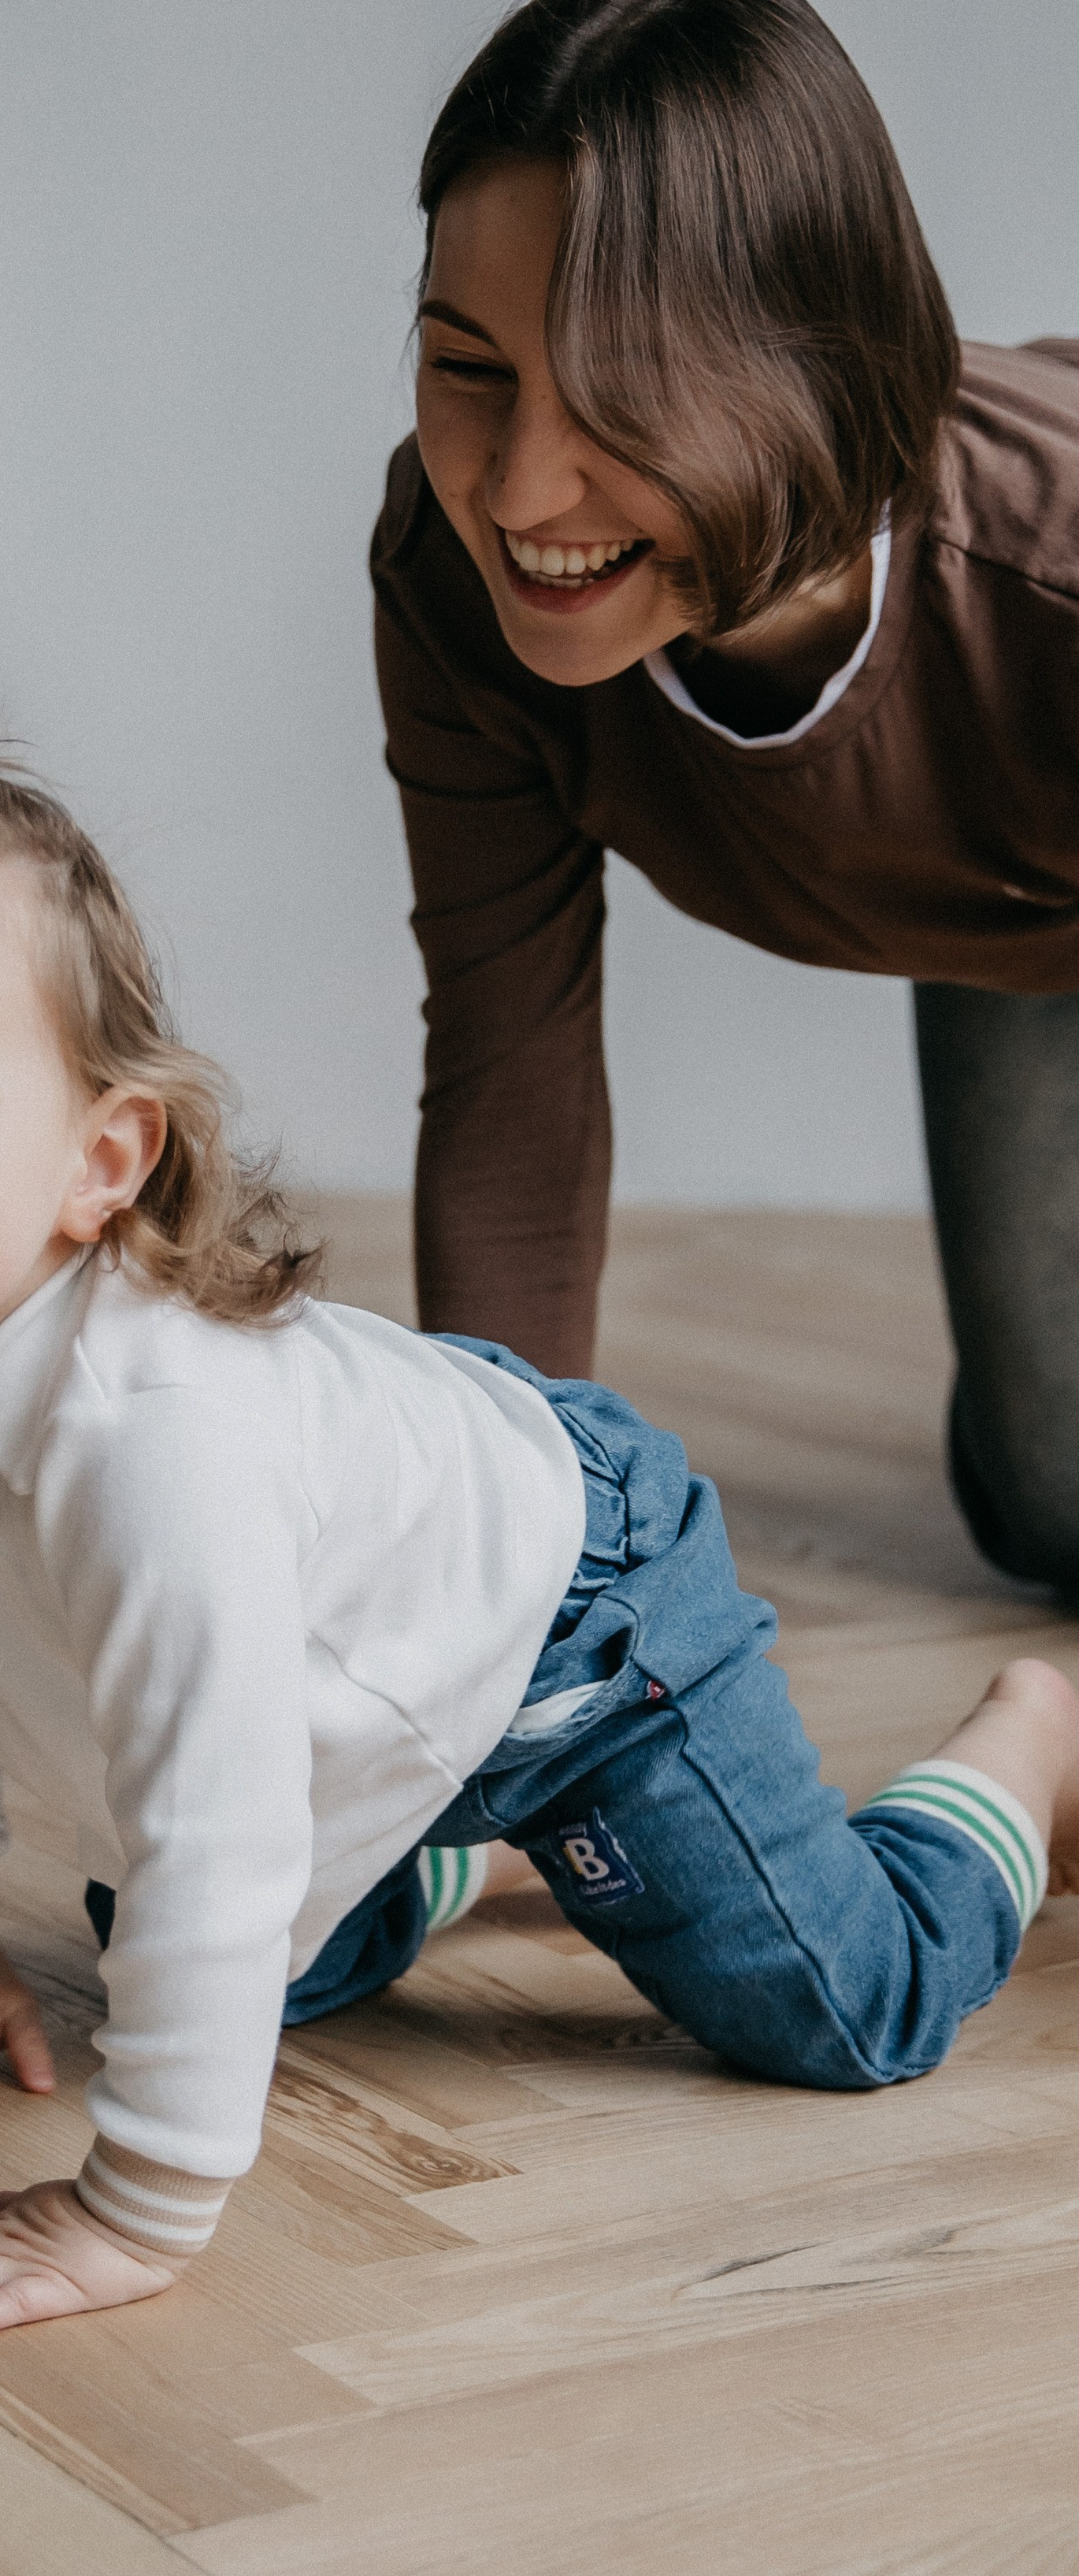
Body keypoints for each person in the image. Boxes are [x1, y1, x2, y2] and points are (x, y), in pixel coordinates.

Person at [0, 657, 1077, 2339]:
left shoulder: (151, 1437)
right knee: (242, 1973)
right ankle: (427, 1850)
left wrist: (130, 2215)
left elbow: (215, 1821)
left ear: (99, 1163)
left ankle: (1026, 1744)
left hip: (571, 1618)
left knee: (841, 2014)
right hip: (350, 1663)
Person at [373, 0, 1079, 1587]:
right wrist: (497, 1577)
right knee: (1055, 1503)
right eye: (468, 369)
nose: (520, 490)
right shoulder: (447, 571)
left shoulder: (1051, 595)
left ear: (818, 365)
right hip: (1009, 911)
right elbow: (511, 1084)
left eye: (620, 396)